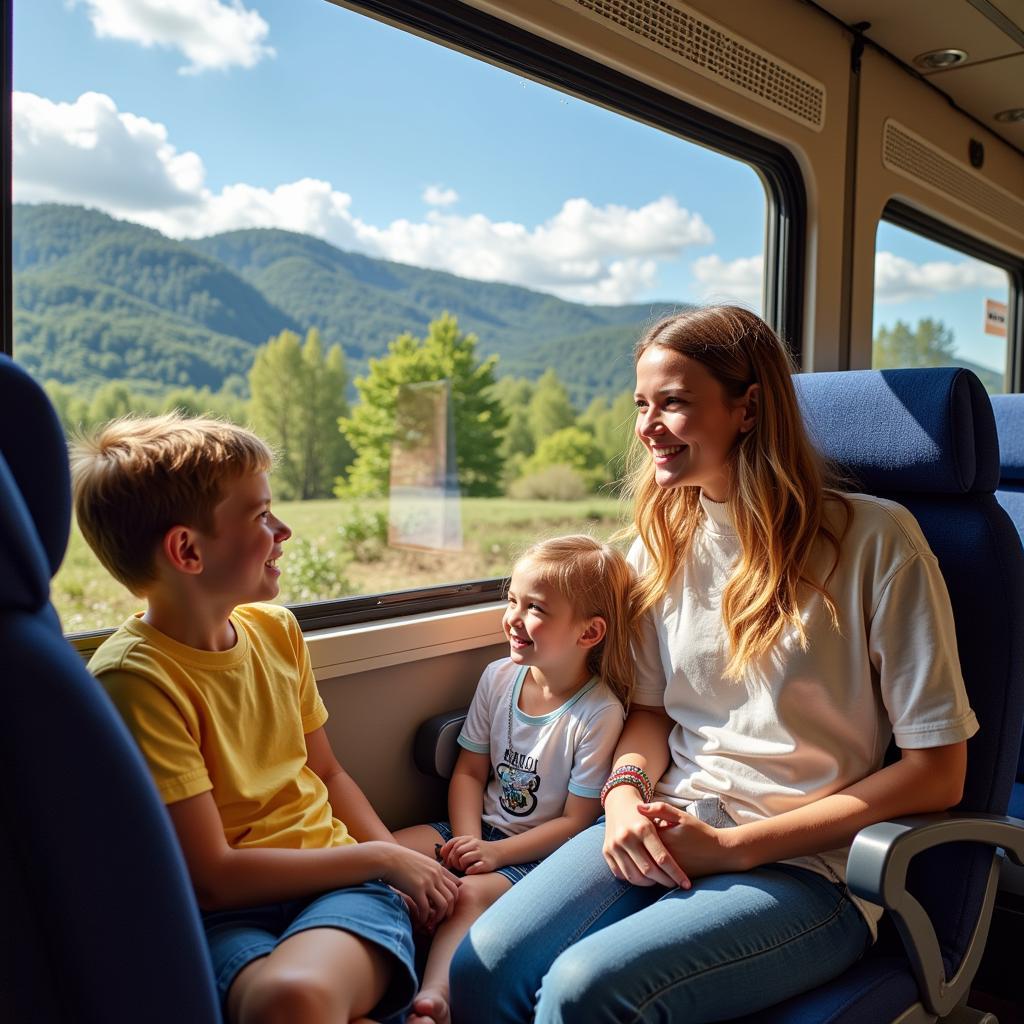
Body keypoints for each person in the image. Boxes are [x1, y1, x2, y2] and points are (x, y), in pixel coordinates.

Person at [449, 306, 979, 1023]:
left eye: (672, 402)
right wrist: (625, 798)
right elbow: (650, 713)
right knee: (483, 964)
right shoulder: (656, 546)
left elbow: (938, 773)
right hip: (666, 818)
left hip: (808, 868)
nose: (646, 426)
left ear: (748, 407)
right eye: (641, 404)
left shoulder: (877, 542)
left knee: (584, 990)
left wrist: (731, 849)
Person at [72, 414, 460, 1024]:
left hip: (340, 890)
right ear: (187, 550)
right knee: (288, 1001)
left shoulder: (275, 631)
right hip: (226, 914)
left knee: (295, 998)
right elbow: (214, 877)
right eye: (260, 515)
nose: (283, 531)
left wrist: (395, 864)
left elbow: (327, 775)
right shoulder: (137, 680)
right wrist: (382, 858)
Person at [394, 536, 634, 1024]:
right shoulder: (498, 677)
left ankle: (436, 995)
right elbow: (469, 771)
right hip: (473, 829)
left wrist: (495, 855)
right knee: (394, 851)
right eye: (512, 601)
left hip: (531, 854)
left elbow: (576, 822)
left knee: (469, 894)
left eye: (535, 608)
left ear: (589, 633)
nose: (513, 618)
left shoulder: (598, 712)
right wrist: (465, 839)